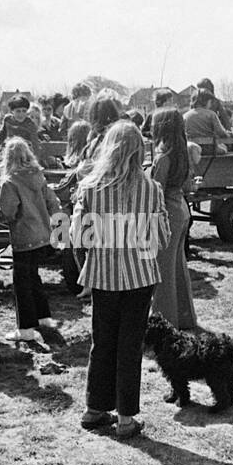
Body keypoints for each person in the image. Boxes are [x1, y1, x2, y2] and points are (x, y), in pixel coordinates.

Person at [73, 121, 170, 440]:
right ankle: (126, 418)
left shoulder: (89, 187)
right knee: (129, 346)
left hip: (103, 277)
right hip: (140, 277)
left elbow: (76, 236)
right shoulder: (152, 189)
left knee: (102, 342)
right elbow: (162, 238)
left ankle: (94, 409)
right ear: (140, 150)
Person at [0, 137, 62, 343]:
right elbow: (53, 202)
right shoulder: (38, 176)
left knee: (21, 283)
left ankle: (25, 329)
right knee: (34, 277)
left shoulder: (10, 182)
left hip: (24, 237)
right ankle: (44, 317)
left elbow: (8, 212)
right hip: (42, 235)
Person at [148, 108, 197, 329]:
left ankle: (164, 324)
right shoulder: (182, 153)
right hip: (182, 210)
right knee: (178, 267)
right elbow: (187, 186)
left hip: (166, 214)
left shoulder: (162, 157)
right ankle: (184, 318)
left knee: (163, 272)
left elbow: (155, 192)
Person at [184, 88, 233, 155]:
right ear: (206, 101)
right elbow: (221, 133)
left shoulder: (185, 116)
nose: (211, 104)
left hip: (191, 149)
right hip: (209, 149)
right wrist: (231, 134)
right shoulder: (211, 114)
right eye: (210, 102)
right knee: (224, 147)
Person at [0, 95, 47, 164]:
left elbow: (35, 142)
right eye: (18, 111)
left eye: (24, 111)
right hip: (10, 150)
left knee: (19, 145)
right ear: (12, 111)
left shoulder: (30, 123)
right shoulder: (7, 119)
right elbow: (2, 134)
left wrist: (36, 159)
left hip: (25, 152)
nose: (21, 114)